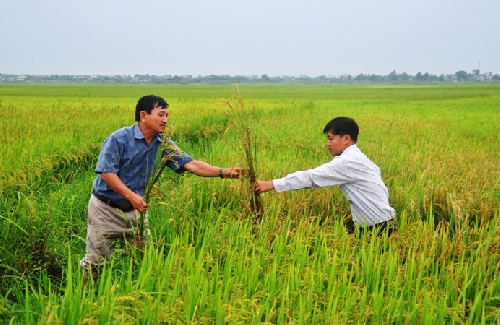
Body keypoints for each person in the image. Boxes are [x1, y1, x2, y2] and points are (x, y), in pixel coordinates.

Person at [81, 94, 243, 283]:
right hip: (106, 209)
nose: (165, 120)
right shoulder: (119, 139)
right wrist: (132, 196)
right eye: (161, 114)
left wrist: (225, 172)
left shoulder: (164, 144)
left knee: (141, 261)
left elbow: (192, 165)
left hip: (136, 211)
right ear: (143, 115)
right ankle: (88, 298)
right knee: (96, 264)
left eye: (167, 115)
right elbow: (107, 174)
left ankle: (134, 294)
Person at [254, 117, 396, 236]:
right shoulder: (361, 159)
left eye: (330, 139)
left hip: (377, 228)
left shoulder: (348, 162)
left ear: (346, 139)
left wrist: (271, 184)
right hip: (381, 222)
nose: (328, 144)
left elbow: (310, 178)